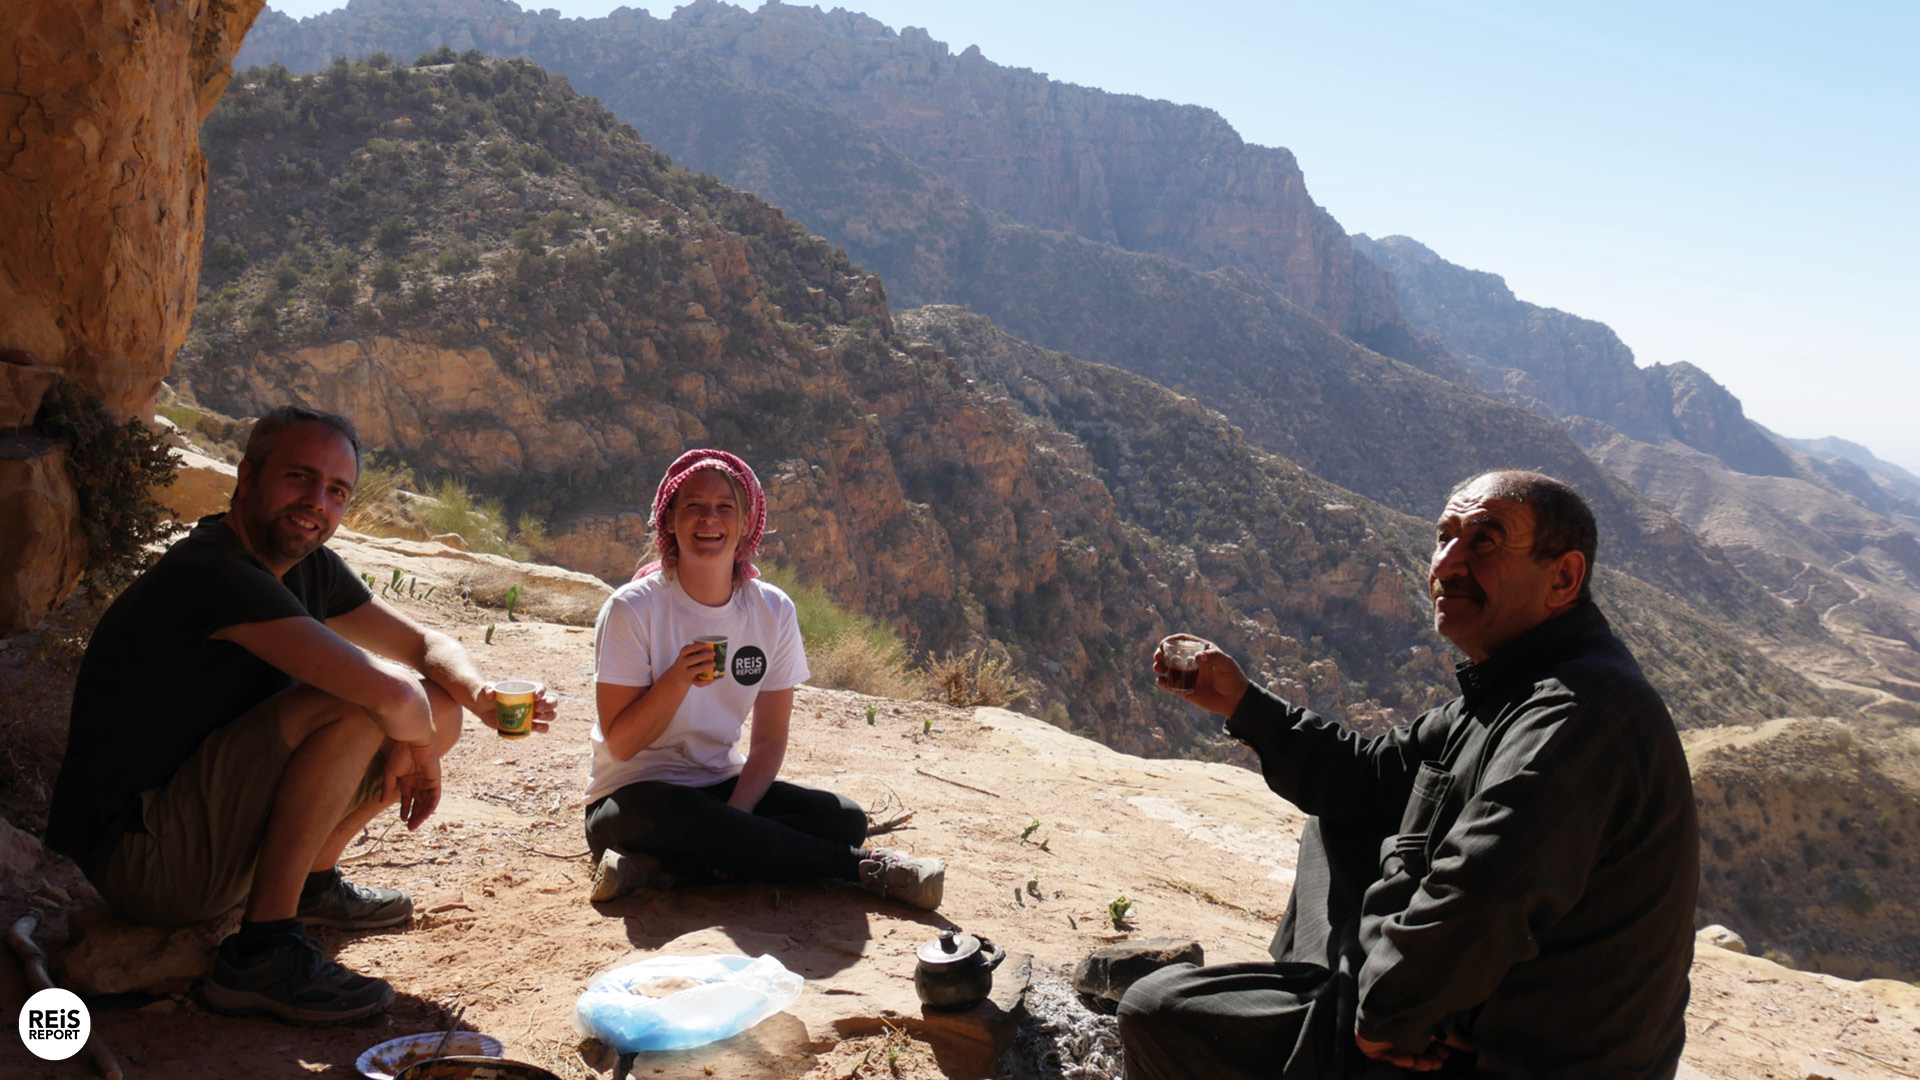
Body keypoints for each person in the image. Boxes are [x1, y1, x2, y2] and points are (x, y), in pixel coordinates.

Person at [1120, 470, 1698, 1079]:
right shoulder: (1516, 683)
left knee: (1157, 1010)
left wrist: (1386, 1018)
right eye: (1444, 538)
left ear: (1563, 577)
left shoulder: (1580, 711)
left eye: (1485, 541)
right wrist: (1244, 704)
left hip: (1503, 1053)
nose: (1447, 565)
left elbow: (1484, 889)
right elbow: (1368, 777)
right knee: (1339, 826)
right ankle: (1322, 1005)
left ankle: (1332, 1022)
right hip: (1461, 1005)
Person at [44, 405, 557, 1025]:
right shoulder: (214, 570)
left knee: (437, 701)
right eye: (299, 478)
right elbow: (388, 694)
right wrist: (416, 746)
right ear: (247, 475)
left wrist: (478, 696)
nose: (316, 501)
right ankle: (262, 951)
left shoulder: (305, 565)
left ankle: (310, 886)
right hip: (149, 859)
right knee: (363, 704)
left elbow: (425, 646)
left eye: (336, 491)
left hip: (205, 826)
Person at [583, 448, 945, 909]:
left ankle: (658, 871)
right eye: (692, 506)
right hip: (632, 801)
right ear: (669, 519)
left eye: (724, 507)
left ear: (747, 521)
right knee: (677, 814)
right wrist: (675, 681)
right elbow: (621, 745)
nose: (708, 519)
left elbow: (770, 741)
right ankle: (865, 868)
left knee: (843, 817)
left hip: (717, 786)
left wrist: (737, 815)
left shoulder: (771, 610)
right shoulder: (633, 608)